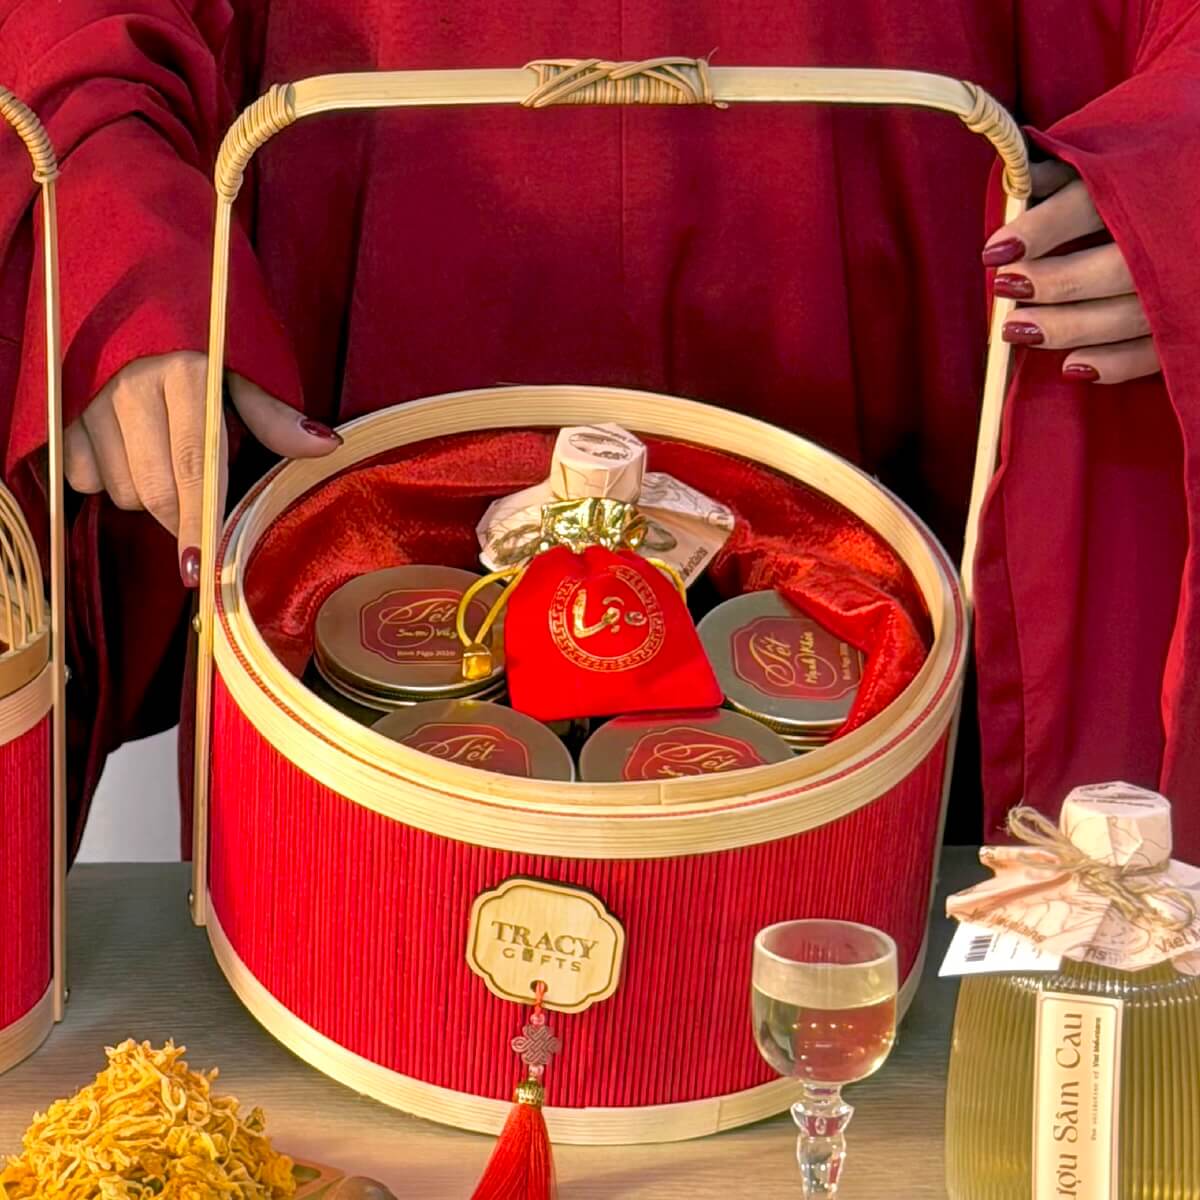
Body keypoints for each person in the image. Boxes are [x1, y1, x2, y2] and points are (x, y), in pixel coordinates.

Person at [0, 1, 1196, 856]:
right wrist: (109, 229)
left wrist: (1170, 186)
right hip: (357, 481)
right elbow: (79, 38)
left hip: (893, 465)